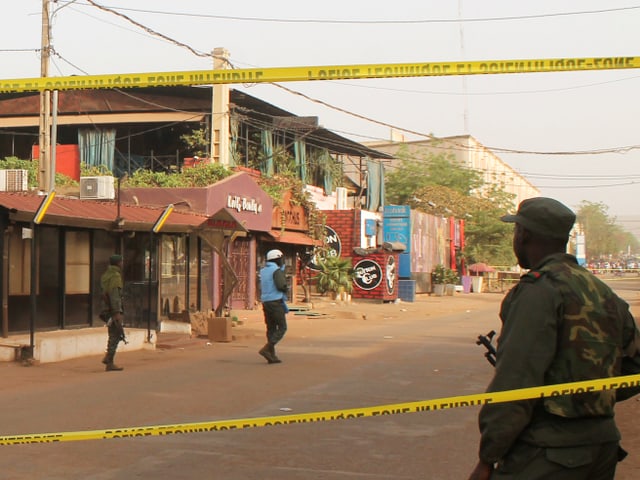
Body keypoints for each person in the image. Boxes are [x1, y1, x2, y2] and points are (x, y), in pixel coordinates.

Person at [468, 197, 640, 480]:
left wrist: (487, 458)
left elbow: (515, 382)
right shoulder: (602, 292)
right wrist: (587, 398)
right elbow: (635, 366)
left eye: (515, 231)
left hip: (549, 453)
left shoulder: (539, 290)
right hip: (602, 447)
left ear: (523, 235)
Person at [258, 249, 288, 364]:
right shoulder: (276, 271)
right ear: (277, 259)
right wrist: (286, 288)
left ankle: (272, 355)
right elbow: (281, 286)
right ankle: (267, 348)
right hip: (275, 301)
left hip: (266, 302)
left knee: (271, 328)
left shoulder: (264, 270)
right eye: (281, 259)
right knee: (282, 327)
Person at [100, 254, 126, 372]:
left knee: (113, 334)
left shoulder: (106, 275)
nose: (122, 263)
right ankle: (109, 360)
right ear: (118, 263)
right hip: (113, 310)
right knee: (116, 334)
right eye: (121, 261)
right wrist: (117, 312)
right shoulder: (115, 276)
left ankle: (109, 359)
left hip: (106, 309)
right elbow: (115, 295)